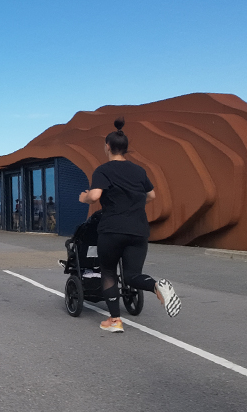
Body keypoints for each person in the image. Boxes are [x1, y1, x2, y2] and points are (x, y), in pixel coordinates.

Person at [77, 119, 181, 333]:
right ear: (125, 148)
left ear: (107, 146)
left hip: (112, 229)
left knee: (107, 271)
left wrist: (84, 198)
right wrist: (132, 204)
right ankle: (155, 285)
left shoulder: (103, 170)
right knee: (132, 275)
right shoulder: (138, 171)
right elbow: (151, 195)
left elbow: (95, 196)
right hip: (138, 229)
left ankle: (115, 321)